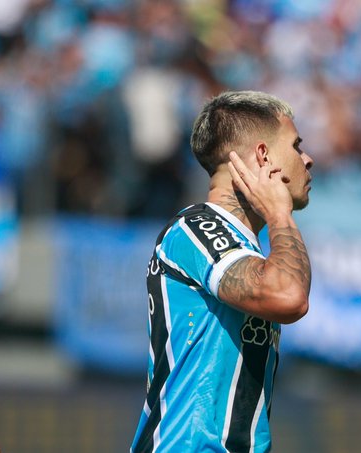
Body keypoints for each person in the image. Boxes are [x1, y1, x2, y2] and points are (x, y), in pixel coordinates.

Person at [130, 90, 314, 453]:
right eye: (296, 146)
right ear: (263, 156)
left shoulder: (248, 250)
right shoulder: (196, 228)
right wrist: (279, 214)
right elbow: (289, 297)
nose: (307, 159)